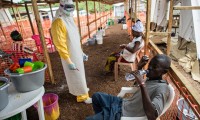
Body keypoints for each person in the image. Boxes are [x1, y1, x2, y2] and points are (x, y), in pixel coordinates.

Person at [86, 54, 171, 120]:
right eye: (150, 64)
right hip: (123, 103)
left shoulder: (162, 89)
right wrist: (139, 67)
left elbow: (152, 116)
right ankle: (106, 115)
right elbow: (135, 86)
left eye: (155, 67)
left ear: (164, 72)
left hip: (124, 113)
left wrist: (142, 84)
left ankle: (107, 115)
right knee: (96, 96)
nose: (150, 68)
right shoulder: (152, 78)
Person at [51, 0, 91, 103]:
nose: (70, 10)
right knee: (76, 75)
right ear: (62, 6)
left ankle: (83, 90)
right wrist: (68, 61)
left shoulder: (70, 19)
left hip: (76, 52)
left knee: (80, 73)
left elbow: (74, 39)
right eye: (67, 7)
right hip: (70, 55)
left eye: (71, 7)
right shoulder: (58, 22)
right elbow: (60, 44)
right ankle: (82, 96)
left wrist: (81, 53)